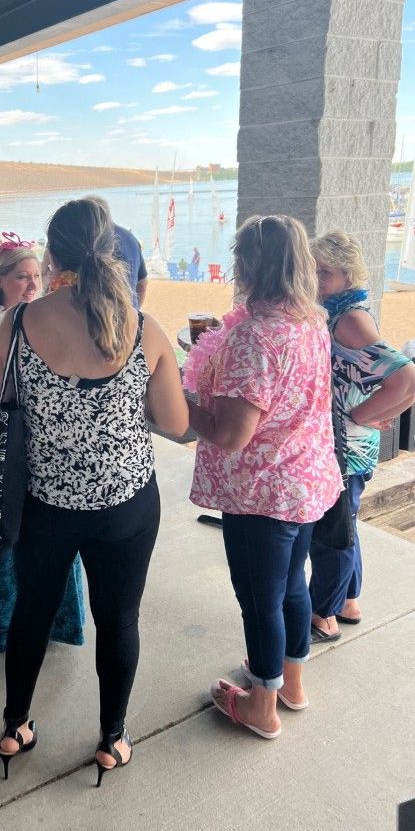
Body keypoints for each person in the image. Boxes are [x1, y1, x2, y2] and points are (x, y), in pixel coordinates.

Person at [0, 198, 188, 785]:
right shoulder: (144, 328)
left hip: (46, 506)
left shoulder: (18, 323)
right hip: (125, 507)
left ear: (51, 255)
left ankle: (16, 726)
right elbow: (174, 424)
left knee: (31, 613)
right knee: (119, 621)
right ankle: (111, 739)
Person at [185, 214, 342, 740]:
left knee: (259, 600)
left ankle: (262, 706)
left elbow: (231, 434)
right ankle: (290, 685)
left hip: (261, 493)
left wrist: (180, 407)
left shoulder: (255, 336)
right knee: (290, 588)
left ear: (250, 263)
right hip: (305, 483)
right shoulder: (311, 322)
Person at [0, 236, 85, 653]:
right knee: (6, 536)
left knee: (50, 539)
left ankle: (58, 624)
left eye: (36, 276)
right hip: (1, 447)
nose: (32, 285)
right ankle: (9, 627)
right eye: (21, 277)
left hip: (42, 446)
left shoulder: (38, 318)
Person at [308, 231, 415, 642]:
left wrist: (362, 414)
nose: (317, 281)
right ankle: (349, 600)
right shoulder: (344, 312)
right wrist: (376, 415)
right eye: (312, 271)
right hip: (350, 441)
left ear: (348, 273)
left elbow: (405, 376)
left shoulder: (350, 319)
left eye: (326, 273)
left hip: (345, 446)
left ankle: (324, 615)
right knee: (345, 524)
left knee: (331, 532)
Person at [83, 196, 147, 306]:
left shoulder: (90, 240)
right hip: (130, 314)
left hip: (99, 316)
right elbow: (142, 285)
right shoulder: (131, 238)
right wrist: (135, 311)